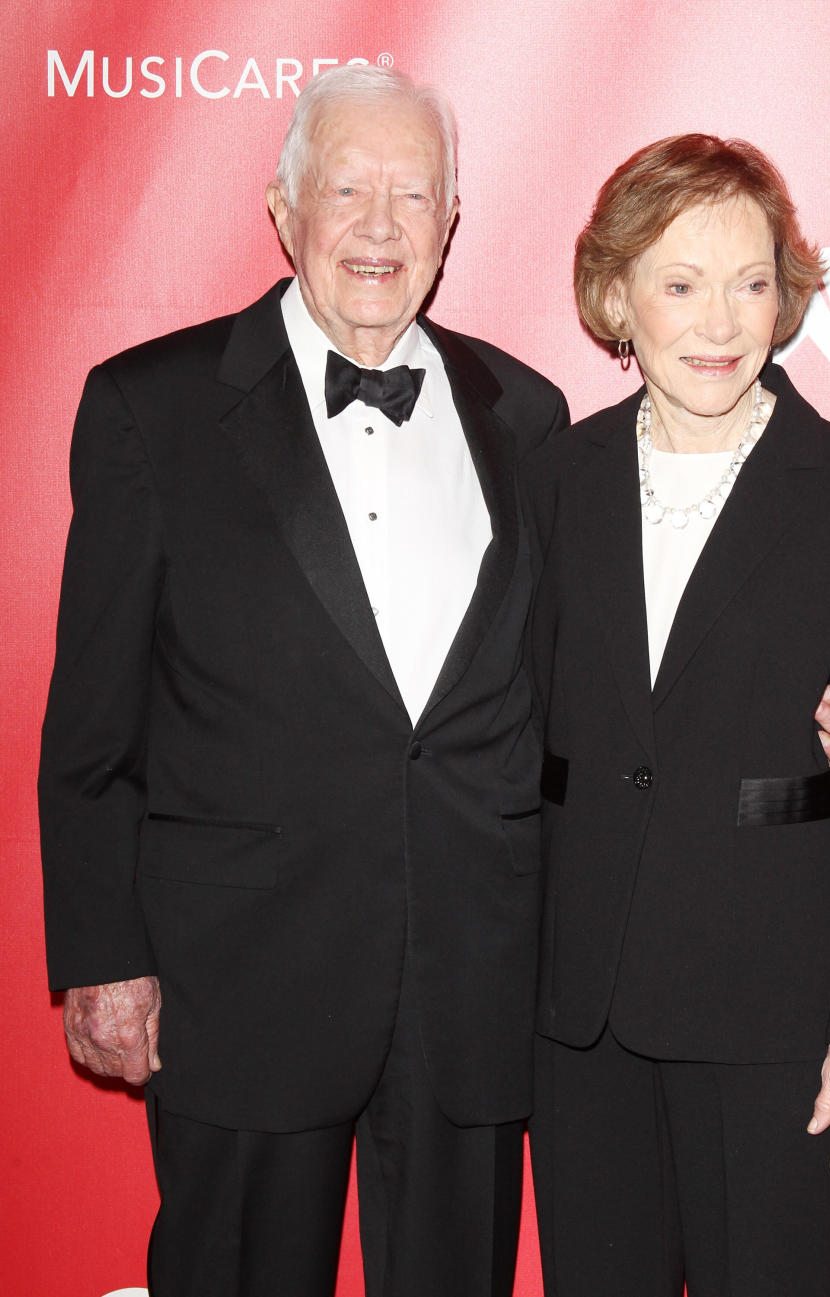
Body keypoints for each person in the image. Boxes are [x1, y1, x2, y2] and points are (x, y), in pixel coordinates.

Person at [38, 65, 569, 1297]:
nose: (381, 224)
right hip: (239, 979)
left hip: (470, 985)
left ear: (452, 223)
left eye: (413, 194)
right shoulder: (150, 409)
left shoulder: (529, 417)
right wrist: (104, 951)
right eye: (348, 187)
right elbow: (93, 727)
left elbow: (566, 689)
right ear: (283, 210)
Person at [522, 134, 830, 1297]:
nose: (721, 321)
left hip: (777, 1017)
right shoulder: (555, 481)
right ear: (617, 297)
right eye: (681, 282)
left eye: (751, 281)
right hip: (580, 1016)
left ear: (787, 292)